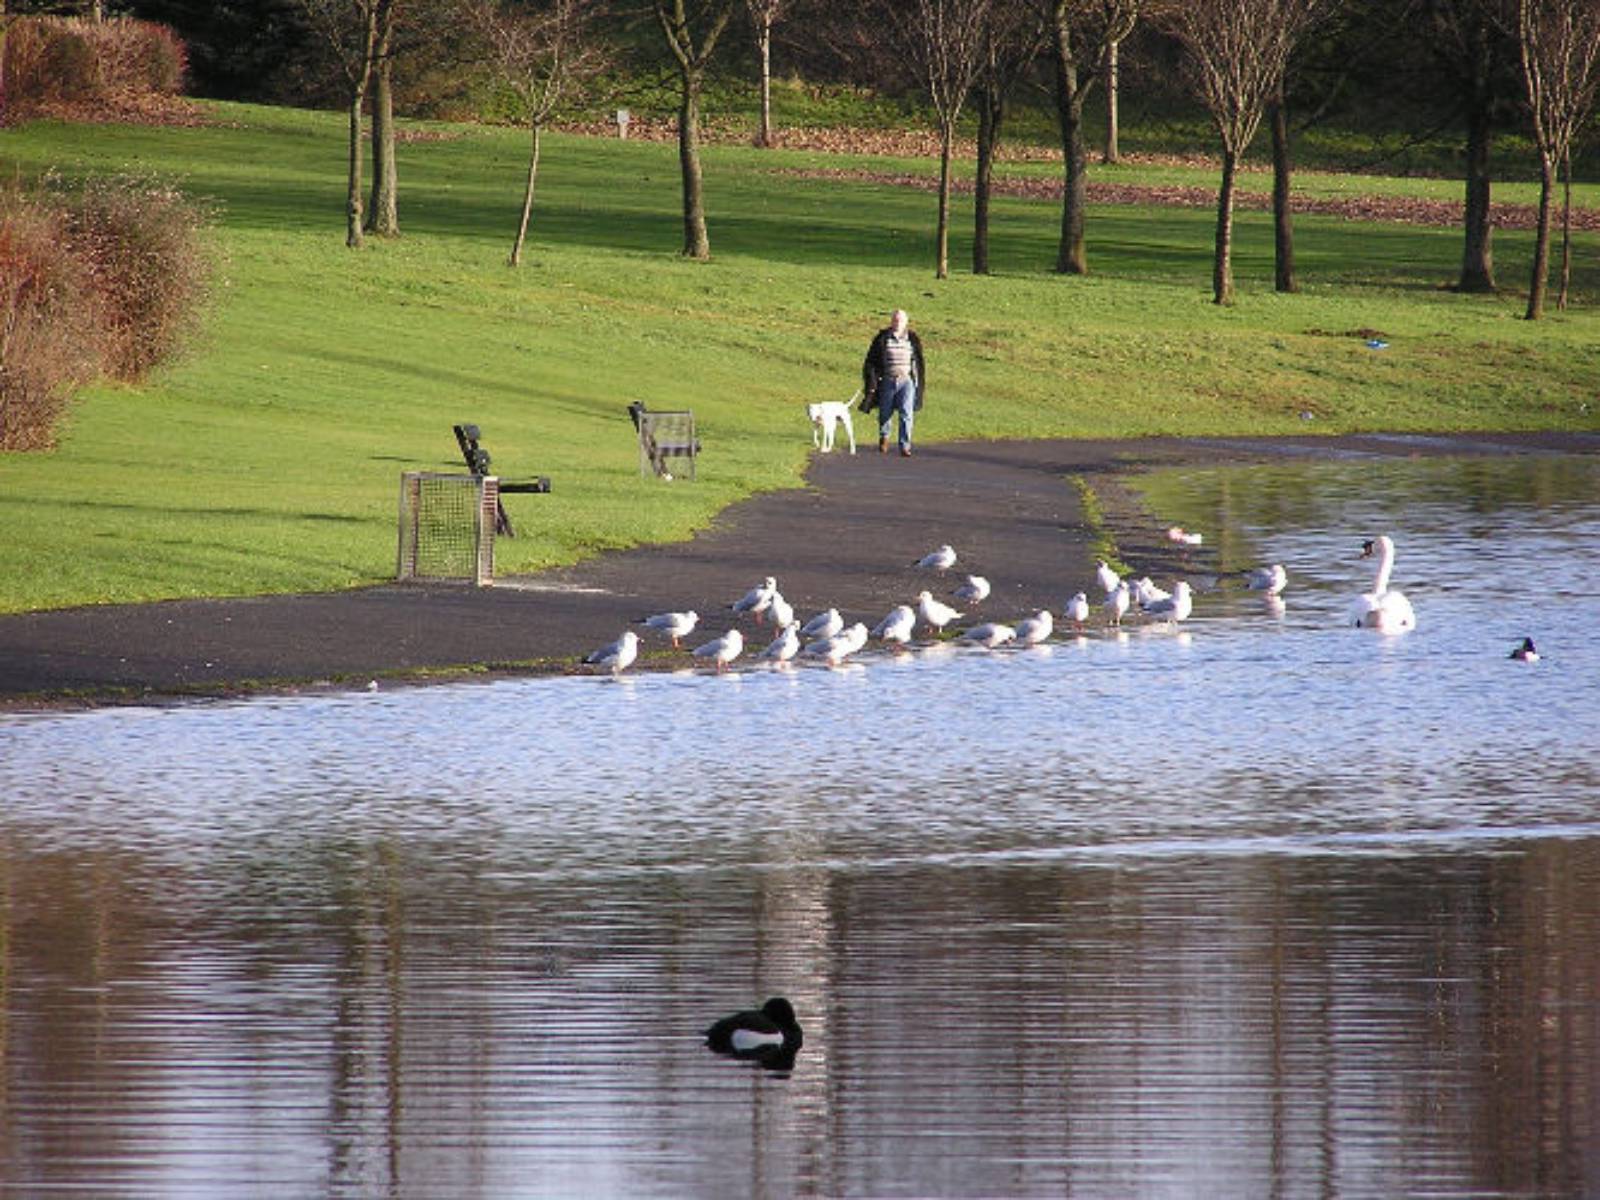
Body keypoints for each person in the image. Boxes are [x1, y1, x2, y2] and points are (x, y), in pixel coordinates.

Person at [860, 309, 925, 457]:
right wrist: (872, 381)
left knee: (906, 413)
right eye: (895, 320)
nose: (897, 323)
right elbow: (871, 361)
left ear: (905, 322)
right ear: (891, 321)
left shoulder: (912, 339)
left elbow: (918, 364)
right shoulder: (882, 338)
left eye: (900, 320)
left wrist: (918, 384)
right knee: (885, 412)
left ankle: (905, 445)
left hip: (906, 380)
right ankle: (884, 437)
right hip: (888, 380)